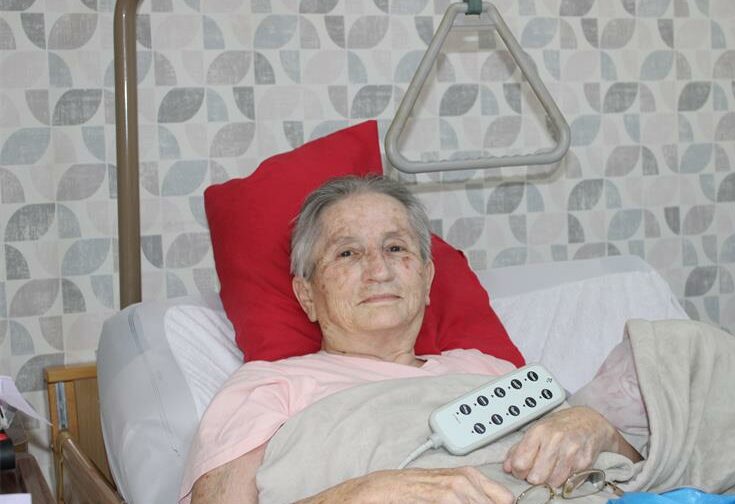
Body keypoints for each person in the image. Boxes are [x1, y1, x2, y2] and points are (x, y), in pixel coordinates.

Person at [184, 175, 642, 504]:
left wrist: (595, 427)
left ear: (426, 280)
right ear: (307, 295)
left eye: (396, 248)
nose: (378, 269)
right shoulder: (267, 390)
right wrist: (360, 496)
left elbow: (641, 474)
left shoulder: (491, 370)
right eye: (347, 253)